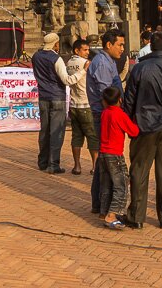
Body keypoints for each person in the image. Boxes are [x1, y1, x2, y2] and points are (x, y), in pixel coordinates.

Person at [120, 31, 162, 230]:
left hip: (144, 125)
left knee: (139, 170)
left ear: (151, 46)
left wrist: (129, 125)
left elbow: (129, 100)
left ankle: (136, 216)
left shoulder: (140, 68)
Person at [31, 32, 86, 174]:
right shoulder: (56, 59)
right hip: (57, 97)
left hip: (43, 97)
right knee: (56, 132)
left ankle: (42, 161)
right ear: (55, 44)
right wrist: (82, 72)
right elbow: (67, 80)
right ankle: (53, 164)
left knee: (45, 130)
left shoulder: (36, 56)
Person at [87, 28, 126, 214]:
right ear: (109, 45)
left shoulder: (109, 61)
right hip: (105, 115)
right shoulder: (102, 63)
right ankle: (104, 205)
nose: (122, 49)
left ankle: (99, 203)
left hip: (107, 114)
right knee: (107, 162)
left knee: (104, 160)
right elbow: (108, 96)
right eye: (120, 45)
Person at [97, 86, 139, 230]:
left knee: (106, 185)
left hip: (103, 153)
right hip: (114, 154)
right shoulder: (119, 114)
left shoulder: (105, 113)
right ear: (120, 100)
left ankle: (104, 212)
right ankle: (112, 215)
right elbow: (133, 131)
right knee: (121, 185)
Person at [66, 38, 99, 176]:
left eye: (88, 50)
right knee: (92, 136)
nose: (87, 52)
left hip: (74, 104)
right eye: (85, 50)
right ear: (77, 50)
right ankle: (95, 166)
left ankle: (77, 166)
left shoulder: (69, 63)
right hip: (86, 104)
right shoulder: (86, 63)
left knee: (77, 136)